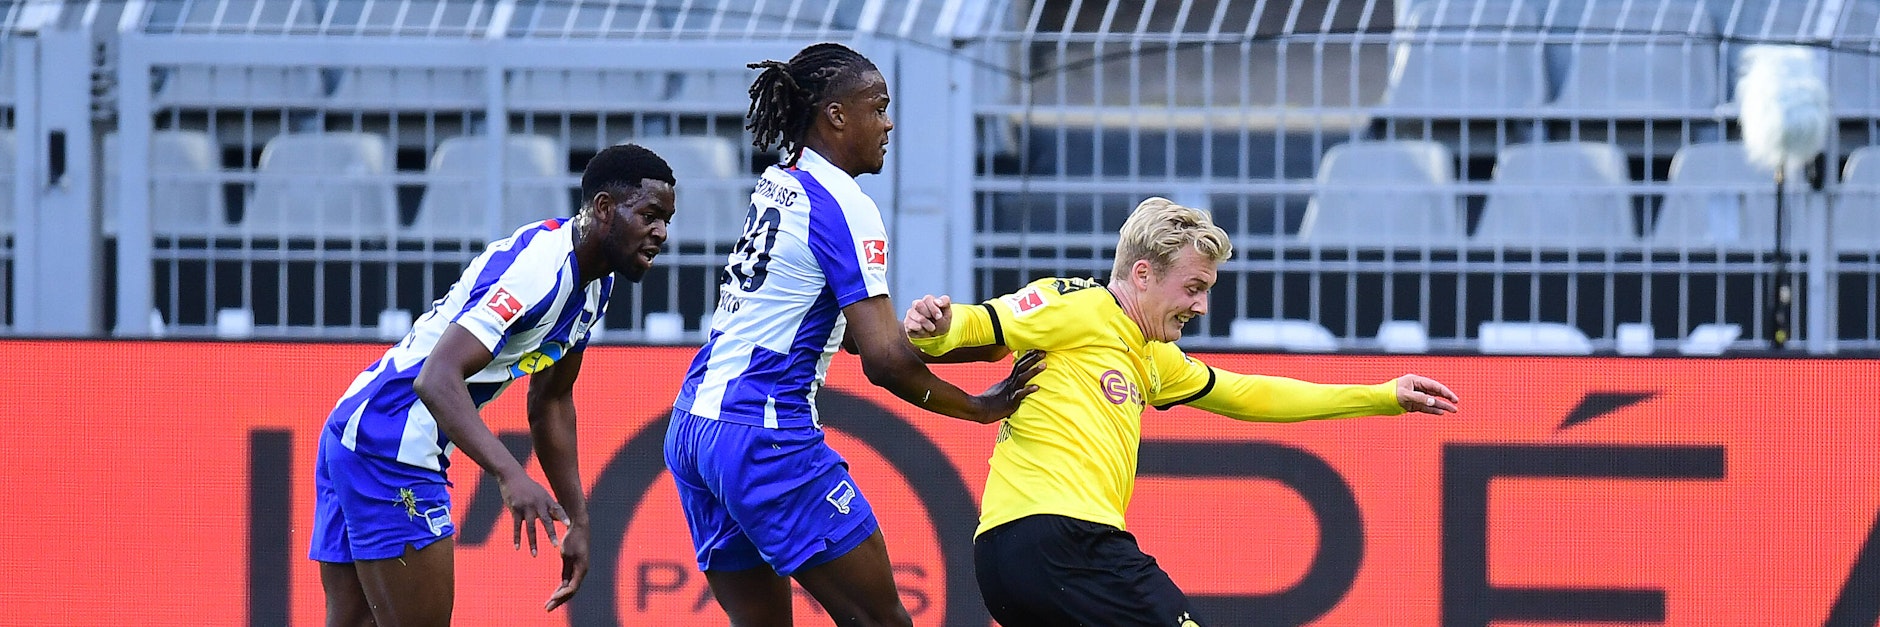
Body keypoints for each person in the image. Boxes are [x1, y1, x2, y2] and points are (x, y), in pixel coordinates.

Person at [902, 197, 1462, 626]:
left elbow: (1251, 395)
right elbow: (979, 323)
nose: (1202, 304)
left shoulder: (1154, 357)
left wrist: (1383, 396)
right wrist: (937, 326)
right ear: (1142, 274)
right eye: (1193, 286)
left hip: (1016, 559)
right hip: (1061, 542)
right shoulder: (1081, 305)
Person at [663, 42, 1044, 626]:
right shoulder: (844, 202)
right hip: (764, 437)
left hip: (695, 427)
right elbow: (884, 361)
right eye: (878, 106)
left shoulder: (778, 184)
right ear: (836, 116)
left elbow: (851, 333)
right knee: (883, 621)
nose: (888, 122)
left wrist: (973, 342)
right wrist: (979, 408)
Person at [310, 144, 677, 625]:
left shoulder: (594, 285)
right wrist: (510, 474)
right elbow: (436, 378)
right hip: (387, 444)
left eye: (667, 219)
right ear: (605, 209)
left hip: (359, 429)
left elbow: (551, 401)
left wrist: (579, 518)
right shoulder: (539, 273)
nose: (661, 233)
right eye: (649, 215)